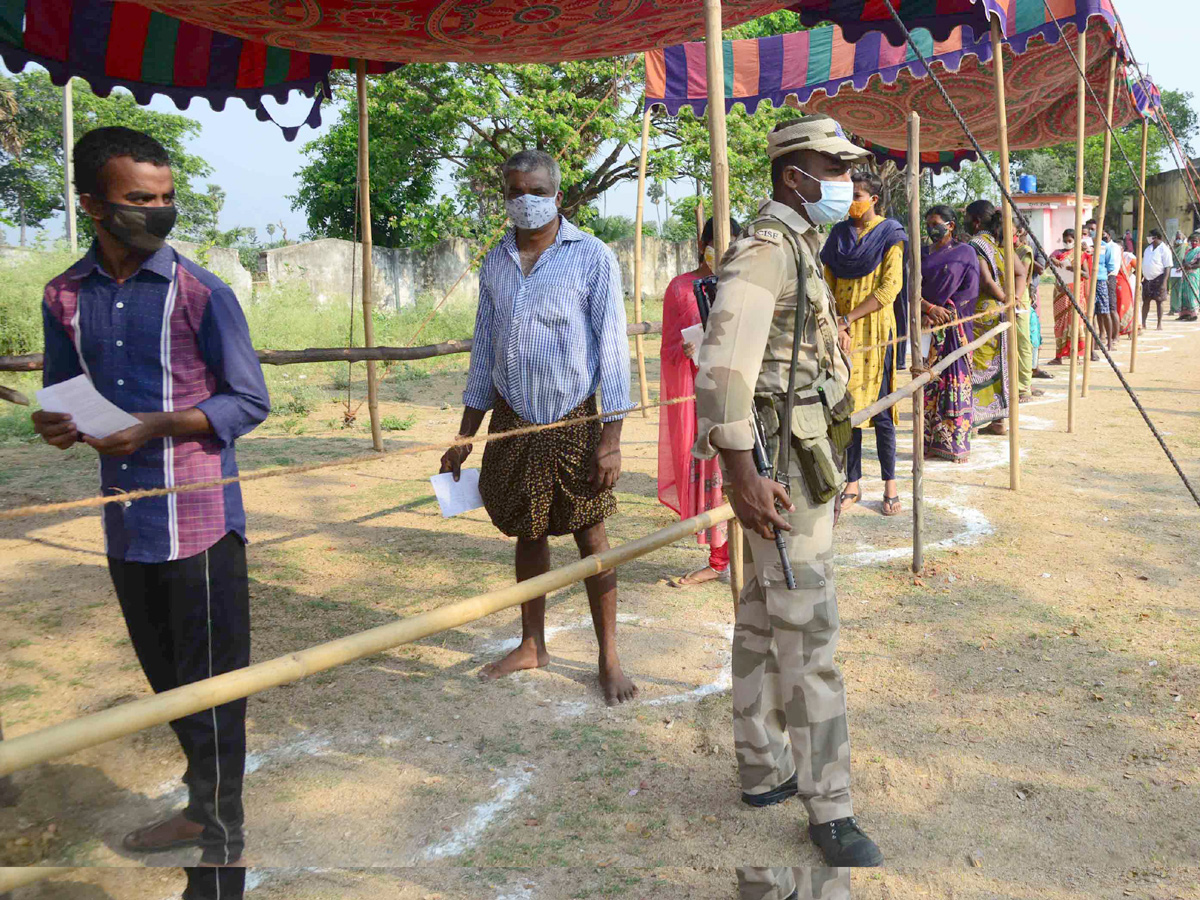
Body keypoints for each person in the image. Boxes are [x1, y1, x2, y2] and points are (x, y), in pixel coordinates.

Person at [31, 127, 270, 871]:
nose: (157, 212)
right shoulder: (65, 296)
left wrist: (158, 426)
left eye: (166, 199)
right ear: (92, 204)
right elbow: (65, 393)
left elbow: (249, 402)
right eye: (140, 200)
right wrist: (58, 424)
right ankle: (203, 810)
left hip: (199, 523)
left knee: (213, 690)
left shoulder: (202, 292)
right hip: (126, 523)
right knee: (166, 682)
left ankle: (223, 842)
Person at [693, 114, 883, 866]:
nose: (843, 182)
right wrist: (742, 473)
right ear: (790, 177)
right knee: (810, 635)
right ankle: (829, 808)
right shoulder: (769, 250)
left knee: (765, 621)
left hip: (795, 461)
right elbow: (722, 371)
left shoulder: (800, 244)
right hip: (776, 470)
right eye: (829, 169)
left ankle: (762, 766)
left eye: (845, 169)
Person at [439, 149, 637, 706]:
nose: (523, 201)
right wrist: (465, 436)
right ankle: (533, 643)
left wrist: (611, 440)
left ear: (556, 195)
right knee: (527, 531)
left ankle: (609, 656)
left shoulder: (592, 257)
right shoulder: (496, 262)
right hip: (514, 419)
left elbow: (613, 354)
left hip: (576, 417)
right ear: (505, 197)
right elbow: (483, 351)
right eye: (513, 191)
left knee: (590, 534)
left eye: (534, 190)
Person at [657, 216, 741, 587]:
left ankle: (739, 556)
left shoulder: (742, 286)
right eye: (715, 243)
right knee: (712, 474)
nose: (720, 252)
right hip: (696, 396)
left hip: (738, 394)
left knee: (742, 472)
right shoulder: (679, 288)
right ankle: (719, 557)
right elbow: (668, 347)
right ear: (703, 243)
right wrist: (685, 348)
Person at [820, 169, 906, 516]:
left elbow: (890, 288)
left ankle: (890, 485)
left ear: (873, 199)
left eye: (857, 196)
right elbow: (824, 282)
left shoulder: (890, 234)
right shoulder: (838, 234)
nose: (851, 202)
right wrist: (835, 323)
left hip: (874, 333)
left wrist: (850, 318)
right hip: (840, 333)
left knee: (881, 411)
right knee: (847, 409)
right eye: (848, 195)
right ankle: (852, 483)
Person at [921, 205, 980, 463]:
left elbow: (970, 289)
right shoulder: (920, 253)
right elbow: (909, 286)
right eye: (928, 224)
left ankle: (955, 444)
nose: (931, 229)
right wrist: (927, 309)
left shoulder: (964, 253)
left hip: (954, 328)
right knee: (926, 384)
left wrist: (947, 312)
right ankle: (929, 442)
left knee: (954, 384)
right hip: (925, 326)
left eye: (936, 223)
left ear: (951, 226)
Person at [964, 200, 1027, 435]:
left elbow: (986, 282)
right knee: (1000, 362)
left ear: (976, 220)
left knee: (978, 364)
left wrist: (1003, 298)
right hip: (1002, 312)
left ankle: (974, 419)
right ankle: (998, 420)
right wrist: (1013, 299)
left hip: (984, 311)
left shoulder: (975, 244)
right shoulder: (1000, 244)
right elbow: (1021, 273)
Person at [1012, 225, 1044, 399]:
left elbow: (1022, 277)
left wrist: (1016, 298)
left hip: (1020, 299)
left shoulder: (1024, 251)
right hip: (1008, 298)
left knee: (1023, 343)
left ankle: (1024, 386)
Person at [1048, 228, 1085, 364]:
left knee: (1075, 323)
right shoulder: (1057, 253)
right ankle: (1059, 355)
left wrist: (1073, 269)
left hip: (1075, 292)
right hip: (1060, 293)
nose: (1066, 243)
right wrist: (1052, 259)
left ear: (1075, 241)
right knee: (1060, 323)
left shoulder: (1080, 254)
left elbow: (1086, 274)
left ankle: (1075, 355)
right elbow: (1046, 265)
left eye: (1069, 241)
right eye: (1065, 241)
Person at [1142, 229, 1173, 330]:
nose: (1148, 237)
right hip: (1147, 279)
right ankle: (1143, 323)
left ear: (1155, 237)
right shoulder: (1148, 249)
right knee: (1146, 301)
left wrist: (1164, 283)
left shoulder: (1164, 249)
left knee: (1159, 301)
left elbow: (1167, 267)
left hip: (1159, 278)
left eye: (1150, 236)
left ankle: (1159, 324)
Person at [1180, 231, 1200, 322]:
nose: (1193, 243)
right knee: (1184, 293)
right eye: (1192, 241)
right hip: (1185, 273)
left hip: (1193, 274)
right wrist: (1184, 265)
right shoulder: (1188, 250)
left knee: (1192, 293)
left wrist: (1191, 266)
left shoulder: (1199, 251)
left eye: (1195, 241)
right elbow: (1183, 260)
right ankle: (1185, 313)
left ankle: (1193, 313)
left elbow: (1199, 264)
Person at [1169, 231, 1186, 316]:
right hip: (1173, 271)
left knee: (1181, 289)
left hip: (1182, 270)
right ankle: (1172, 308)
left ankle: (1180, 308)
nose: (1178, 240)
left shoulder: (1185, 248)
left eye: (1180, 238)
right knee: (1173, 289)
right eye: (1177, 238)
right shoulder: (1172, 248)